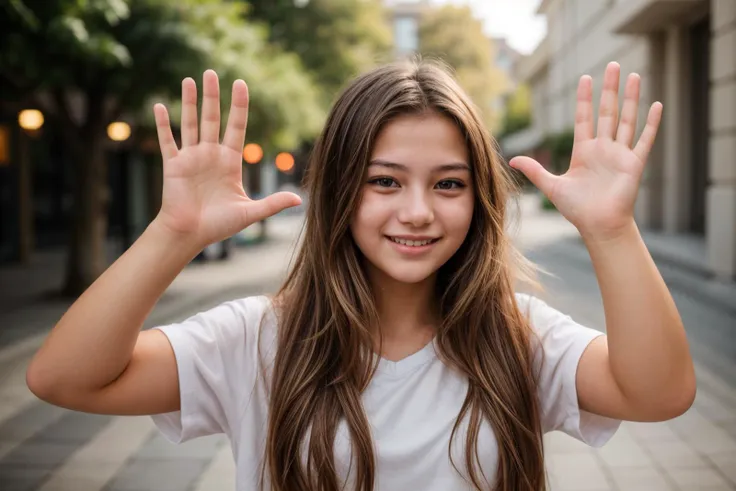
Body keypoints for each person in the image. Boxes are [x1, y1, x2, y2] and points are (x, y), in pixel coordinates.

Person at [25, 59, 696, 491]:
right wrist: (173, 233)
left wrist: (611, 230)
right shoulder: (256, 337)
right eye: (384, 181)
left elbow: (660, 392)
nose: (417, 211)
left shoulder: (519, 336)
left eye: (449, 183)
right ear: (342, 187)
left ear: (480, 196)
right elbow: (63, 376)